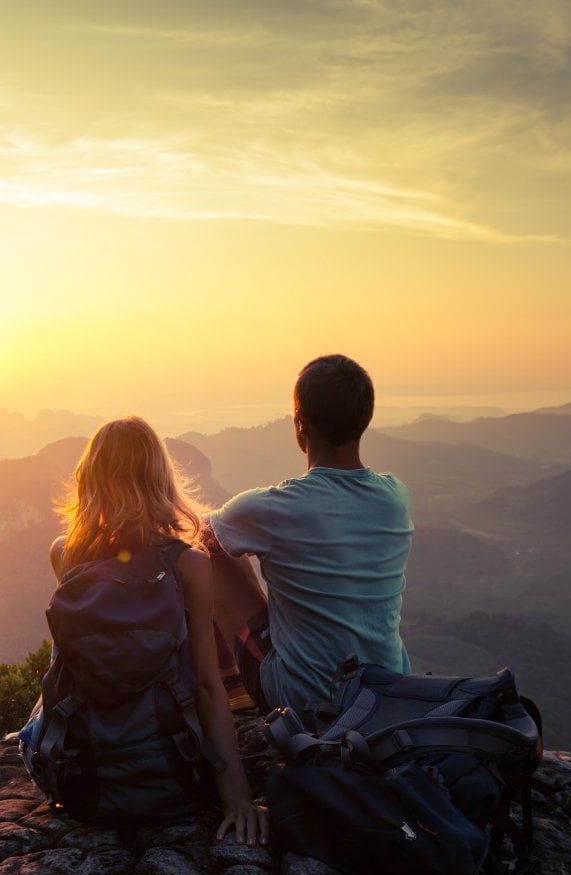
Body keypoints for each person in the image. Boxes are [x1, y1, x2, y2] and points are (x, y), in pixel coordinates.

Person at [45, 416, 267, 845]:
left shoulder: (65, 555)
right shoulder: (190, 563)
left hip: (84, 781)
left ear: (89, 480)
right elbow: (206, 684)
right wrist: (236, 796)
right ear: (160, 479)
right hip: (172, 772)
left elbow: (74, 668)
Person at [203, 354, 413, 716]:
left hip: (304, 698)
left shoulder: (271, 508)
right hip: (388, 690)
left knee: (211, 551)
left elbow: (198, 532)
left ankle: (230, 688)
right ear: (364, 420)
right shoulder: (395, 496)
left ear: (300, 424)